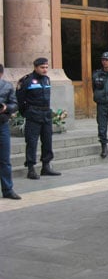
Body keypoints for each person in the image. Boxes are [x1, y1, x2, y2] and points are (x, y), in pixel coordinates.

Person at [16, 57, 61, 179]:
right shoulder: (27, 80)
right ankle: (31, 169)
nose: (45, 70)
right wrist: (27, 112)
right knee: (32, 142)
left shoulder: (47, 80)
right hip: (33, 115)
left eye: (46, 67)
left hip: (46, 114)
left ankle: (46, 166)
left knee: (47, 141)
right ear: (35, 67)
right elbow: (20, 99)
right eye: (42, 67)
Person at [0, 64, 21, 199]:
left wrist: (6, 107)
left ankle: (8, 189)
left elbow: (15, 105)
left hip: (2, 125)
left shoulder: (7, 86)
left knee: (5, 160)